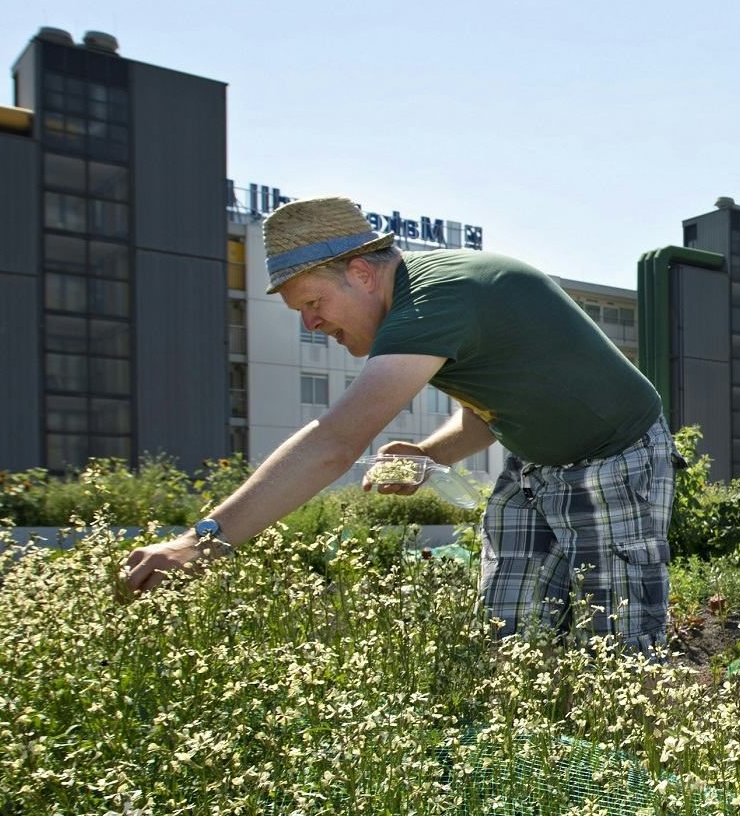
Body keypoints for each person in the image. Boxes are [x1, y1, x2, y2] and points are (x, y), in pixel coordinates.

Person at [118, 196, 675, 649]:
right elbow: (488, 417)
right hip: (536, 466)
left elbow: (334, 443)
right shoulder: (421, 304)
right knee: (507, 632)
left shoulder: (435, 303)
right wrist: (430, 457)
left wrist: (202, 540)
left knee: (617, 645)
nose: (313, 324)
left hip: (615, 459)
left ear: (360, 273)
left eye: (313, 302)